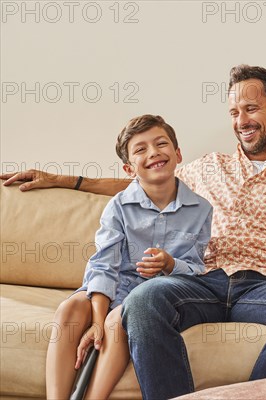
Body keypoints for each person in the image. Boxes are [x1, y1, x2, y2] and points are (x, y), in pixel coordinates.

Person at [2, 65, 266, 399]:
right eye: (234, 112)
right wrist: (67, 181)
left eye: (251, 108)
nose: (241, 121)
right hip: (201, 281)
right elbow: (143, 181)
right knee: (143, 298)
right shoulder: (210, 167)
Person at [45, 114, 213, 399]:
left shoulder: (201, 209)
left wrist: (171, 264)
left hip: (151, 296)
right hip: (111, 288)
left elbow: (196, 268)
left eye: (161, 144)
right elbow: (103, 266)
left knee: (117, 320)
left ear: (178, 153)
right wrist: (96, 321)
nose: (154, 153)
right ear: (128, 168)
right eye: (141, 150)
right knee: (70, 310)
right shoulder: (118, 206)